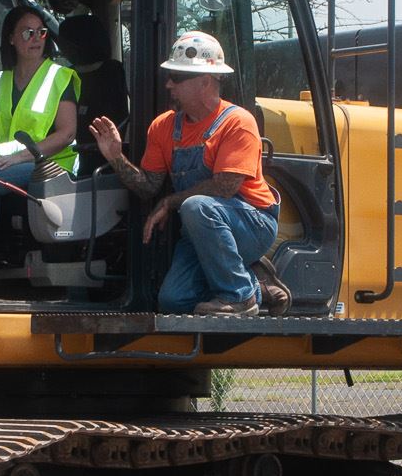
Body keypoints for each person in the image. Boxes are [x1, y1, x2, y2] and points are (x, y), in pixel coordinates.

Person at [89, 31, 281, 315]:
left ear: (205, 81)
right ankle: (256, 284)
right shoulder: (163, 127)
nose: (168, 84)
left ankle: (239, 296)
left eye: (176, 77)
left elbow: (226, 187)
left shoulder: (238, 122)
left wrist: (170, 202)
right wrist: (116, 157)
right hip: (201, 228)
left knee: (196, 206)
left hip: (253, 223)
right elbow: (147, 187)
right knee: (173, 301)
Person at [0, 4, 81, 298]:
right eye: (27, 32)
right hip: (14, 164)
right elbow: (1, 134)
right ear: (11, 38)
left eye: (41, 32)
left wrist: (20, 157)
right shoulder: (2, 81)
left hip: (49, 165)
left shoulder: (59, 77)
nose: (36, 38)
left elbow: (67, 133)